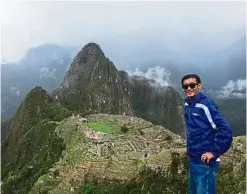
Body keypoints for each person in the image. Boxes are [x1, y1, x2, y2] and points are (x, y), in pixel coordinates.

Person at [181, 74, 232, 194]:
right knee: (193, 191)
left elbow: (226, 130)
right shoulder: (187, 104)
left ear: (199, 85)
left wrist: (214, 152)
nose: (189, 88)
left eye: (192, 85)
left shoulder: (205, 105)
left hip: (205, 162)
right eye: (185, 86)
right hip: (193, 158)